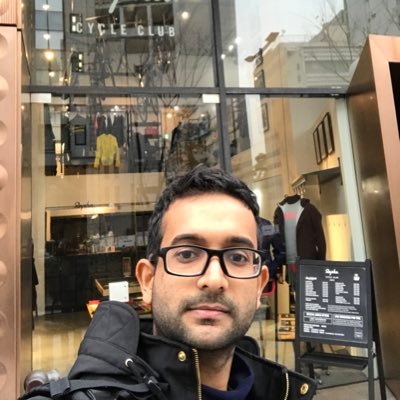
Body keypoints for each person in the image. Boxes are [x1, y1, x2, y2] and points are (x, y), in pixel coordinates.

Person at [21, 165, 316, 400]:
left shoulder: (281, 391)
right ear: (147, 280)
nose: (214, 279)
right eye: (187, 254)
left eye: (238, 257)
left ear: (259, 285)